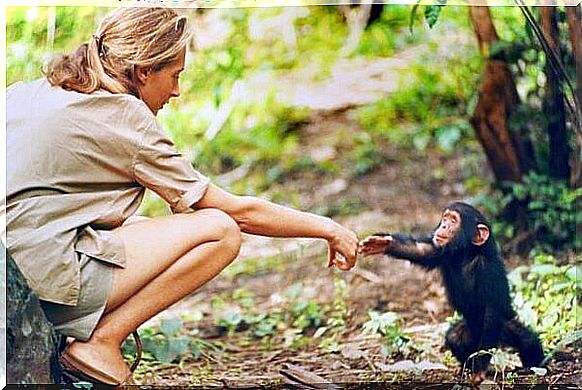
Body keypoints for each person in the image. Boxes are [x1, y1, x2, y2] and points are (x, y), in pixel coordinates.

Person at [5, 6, 359, 385]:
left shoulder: (28, 93)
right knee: (219, 231)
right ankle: (102, 342)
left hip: (9, 271)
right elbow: (237, 214)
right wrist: (326, 228)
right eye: (174, 76)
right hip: (41, 283)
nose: (175, 91)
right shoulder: (126, 118)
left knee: (141, 226)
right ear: (144, 71)